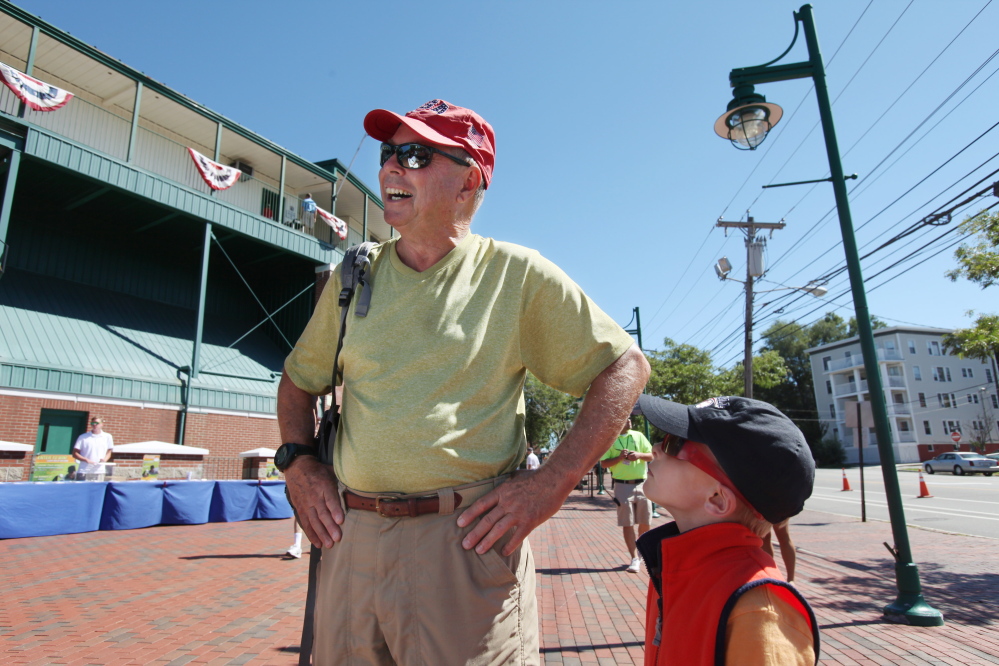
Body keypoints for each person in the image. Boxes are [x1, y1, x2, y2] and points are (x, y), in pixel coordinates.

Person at [277, 99, 650, 665]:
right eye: (388, 153)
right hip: (349, 543)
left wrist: (552, 483)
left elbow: (625, 367)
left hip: (464, 549)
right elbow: (297, 381)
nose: (391, 169)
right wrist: (299, 464)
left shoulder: (517, 274)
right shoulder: (354, 277)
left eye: (415, 154)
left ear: (469, 180)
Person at [635, 395, 818, 665]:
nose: (655, 448)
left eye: (674, 444)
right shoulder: (674, 564)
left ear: (718, 500)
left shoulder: (759, 613)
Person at [600, 417, 653, 573]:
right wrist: (619, 458)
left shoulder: (638, 436)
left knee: (646, 521)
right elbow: (604, 463)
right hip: (622, 486)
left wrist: (639, 455)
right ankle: (634, 558)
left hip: (643, 484)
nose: (629, 421)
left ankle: (642, 552)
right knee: (627, 522)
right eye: (625, 419)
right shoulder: (611, 440)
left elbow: (651, 456)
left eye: (630, 418)